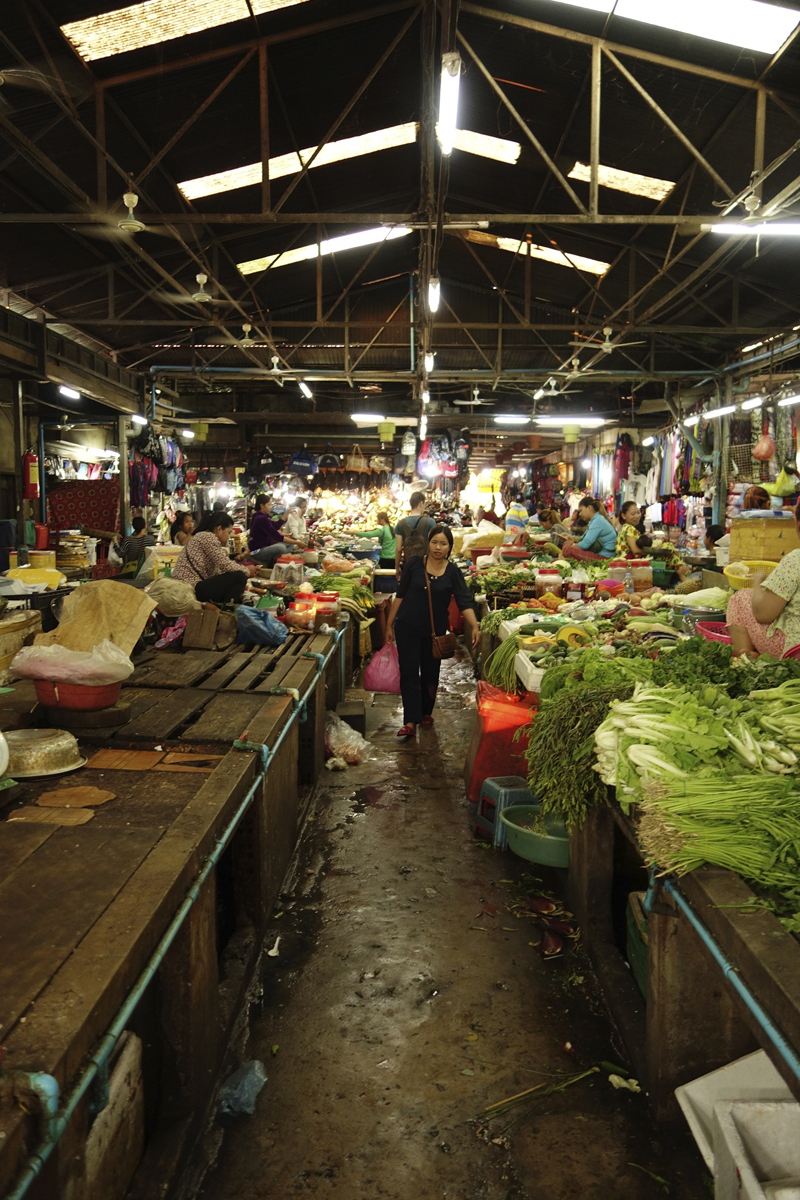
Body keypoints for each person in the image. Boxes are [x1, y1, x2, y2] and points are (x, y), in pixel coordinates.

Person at [385, 525, 480, 738]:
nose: (438, 547)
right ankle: (410, 721)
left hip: (434, 633)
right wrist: (389, 624)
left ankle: (426, 712)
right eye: (434, 542)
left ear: (449, 547)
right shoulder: (414, 565)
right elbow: (400, 594)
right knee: (409, 673)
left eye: (443, 543)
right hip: (407, 627)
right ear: (428, 543)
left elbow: (464, 600)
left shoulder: (453, 572)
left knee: (430, 674)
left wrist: (474, 626)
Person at [726, 501, 800, 657]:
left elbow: (763, 614)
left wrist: (758, 581)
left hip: (793, 652)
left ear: (797, 524)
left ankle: (747, 661)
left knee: (740, 599)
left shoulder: (795, 560)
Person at [173, 510, 257, 603]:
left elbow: (220, 571)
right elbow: (226, 565)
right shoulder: (207, 537)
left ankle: (226, 606)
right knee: (240, 576)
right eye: (228, 532)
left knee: (237, 577)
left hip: (191, 585)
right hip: (190, 587)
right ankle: (227, 609)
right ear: (219, 529)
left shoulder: (204, 536)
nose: (229, 537)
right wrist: (247, 570)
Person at [394, 492, 436, 579]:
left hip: (408, 566)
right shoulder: (430, 522)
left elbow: (398, 549)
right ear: (421, 503)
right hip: (426, 567)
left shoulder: (401, 524)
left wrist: (397, 567)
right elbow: (433, 545)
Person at [247, 493, 288, 568]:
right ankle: (270, 565)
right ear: (262, 506)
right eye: (269, 505)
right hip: (258, 551)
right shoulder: (261, 518)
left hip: (264, 547)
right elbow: (276, 536)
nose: (270, 507)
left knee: (289, 545)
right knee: (281, 547)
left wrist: (287, 513)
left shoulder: (262, 517)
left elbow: (276, 526)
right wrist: (297, 542)